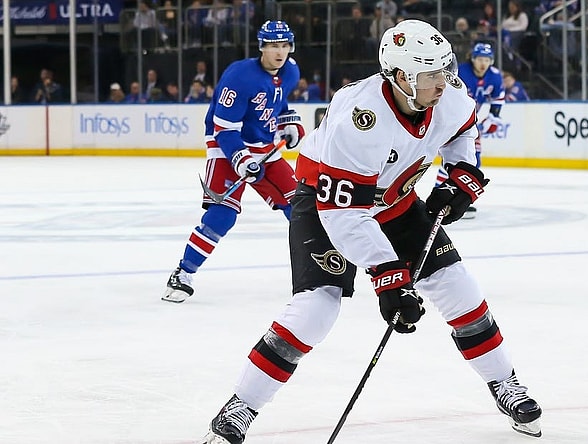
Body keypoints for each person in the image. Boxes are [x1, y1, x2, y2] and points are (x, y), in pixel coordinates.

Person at [199, 19, 542, 444]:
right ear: (400, 77)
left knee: (458, 286)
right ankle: (242, 405)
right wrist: (388, 276)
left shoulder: (449, 95)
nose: (442, 82)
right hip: (325, 205)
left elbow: (462, 132)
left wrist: (460, 176)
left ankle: (505, 382)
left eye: (444, 69)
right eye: (430, 74)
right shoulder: (359, 118)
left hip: (396, 202)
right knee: (316, 309)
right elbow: (345, 215)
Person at [162, 20, 304, 303]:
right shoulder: (239, 76)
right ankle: (183, 273)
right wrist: (241, 160)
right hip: (226, 146)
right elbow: (224, 129)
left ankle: (320, 273)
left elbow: (277, 104)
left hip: (264, 147)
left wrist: (288, 123)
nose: (279, 52)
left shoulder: (291, 70)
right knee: (222, 215)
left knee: (301, 207)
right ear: (261, 47)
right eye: (273, 46)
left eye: (284, 45)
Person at [434, 41, 504, 219]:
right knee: (454, 161)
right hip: (451, 119)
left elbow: (497, 99)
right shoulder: (462, 73)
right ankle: (440, 194)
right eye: (480, 59)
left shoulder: (495, 76)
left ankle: (455, 198)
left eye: (487, 60)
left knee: (473, 161)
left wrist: (494, 117)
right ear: (473, 59)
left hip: (468, 121)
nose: (483, 63)